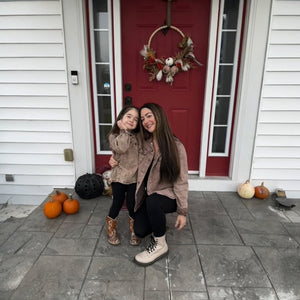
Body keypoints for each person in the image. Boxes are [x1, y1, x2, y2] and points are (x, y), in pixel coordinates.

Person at [110, 103, 188, 266]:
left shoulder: (176, 147)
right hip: (150, 194)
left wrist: (182, 211)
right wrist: (113, 158)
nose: (145, 121)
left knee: (154, 202)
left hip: (168, 196)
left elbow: (181, 181)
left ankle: (161, 245)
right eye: (143, 118)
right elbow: (124, 148)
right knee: (140, 231)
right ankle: (159, 223)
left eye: (149, 116)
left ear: (159, 116)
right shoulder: (142, 142)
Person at [106, 105, 141, 246]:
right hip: (120, 175)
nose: (132, 120)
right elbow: (122, 147)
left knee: (132, 204)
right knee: (118, 202)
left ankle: (134, 229)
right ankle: (111, 228)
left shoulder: (138, 137)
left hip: (134, 176)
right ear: (121, 118)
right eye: (129, 116)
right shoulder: (114, 136)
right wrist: (124, 131)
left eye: (136, 119)